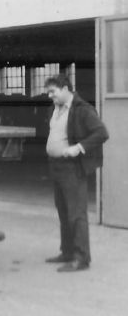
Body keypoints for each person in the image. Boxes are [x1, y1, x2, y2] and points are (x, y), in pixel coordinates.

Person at [44, 74, 108, 272]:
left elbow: (101, 133)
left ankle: (82, 258)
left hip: (72, 167)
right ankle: (68, 251)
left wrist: (79, 147)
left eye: (53, 92)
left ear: (65, 89)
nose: (49, 96)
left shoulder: (83, 110)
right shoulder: (55, 109)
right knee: (63, 210)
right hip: (57, 166)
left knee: (76, 212)